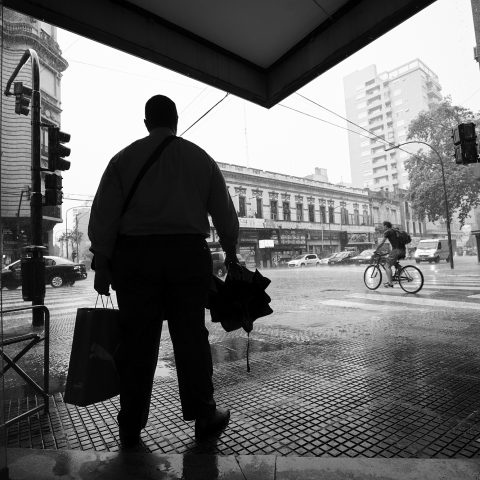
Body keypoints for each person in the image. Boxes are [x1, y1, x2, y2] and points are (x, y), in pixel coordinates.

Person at [88, 95, 240, 448]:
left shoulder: (122, 159)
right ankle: (204, 416)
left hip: (135, 259)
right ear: (175, 121)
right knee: (190, 338)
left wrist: (103, 261)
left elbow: (104, 216)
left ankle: (130, 425)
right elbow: (225, 214)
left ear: (146, 123)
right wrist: (230, 252)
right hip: (187, 256)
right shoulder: (199, 158)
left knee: (138, 341)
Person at [374, 220, 406, 287]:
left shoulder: (387, 232)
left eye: (383, 226)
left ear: (385, 226)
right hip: (402, 250)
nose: (383, 228)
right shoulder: (395, 230)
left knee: (387, 266)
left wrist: (376, 249)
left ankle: (390, 283)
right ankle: (400, 269)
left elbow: (382, 242)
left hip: (396, 250)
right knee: (391, 261)